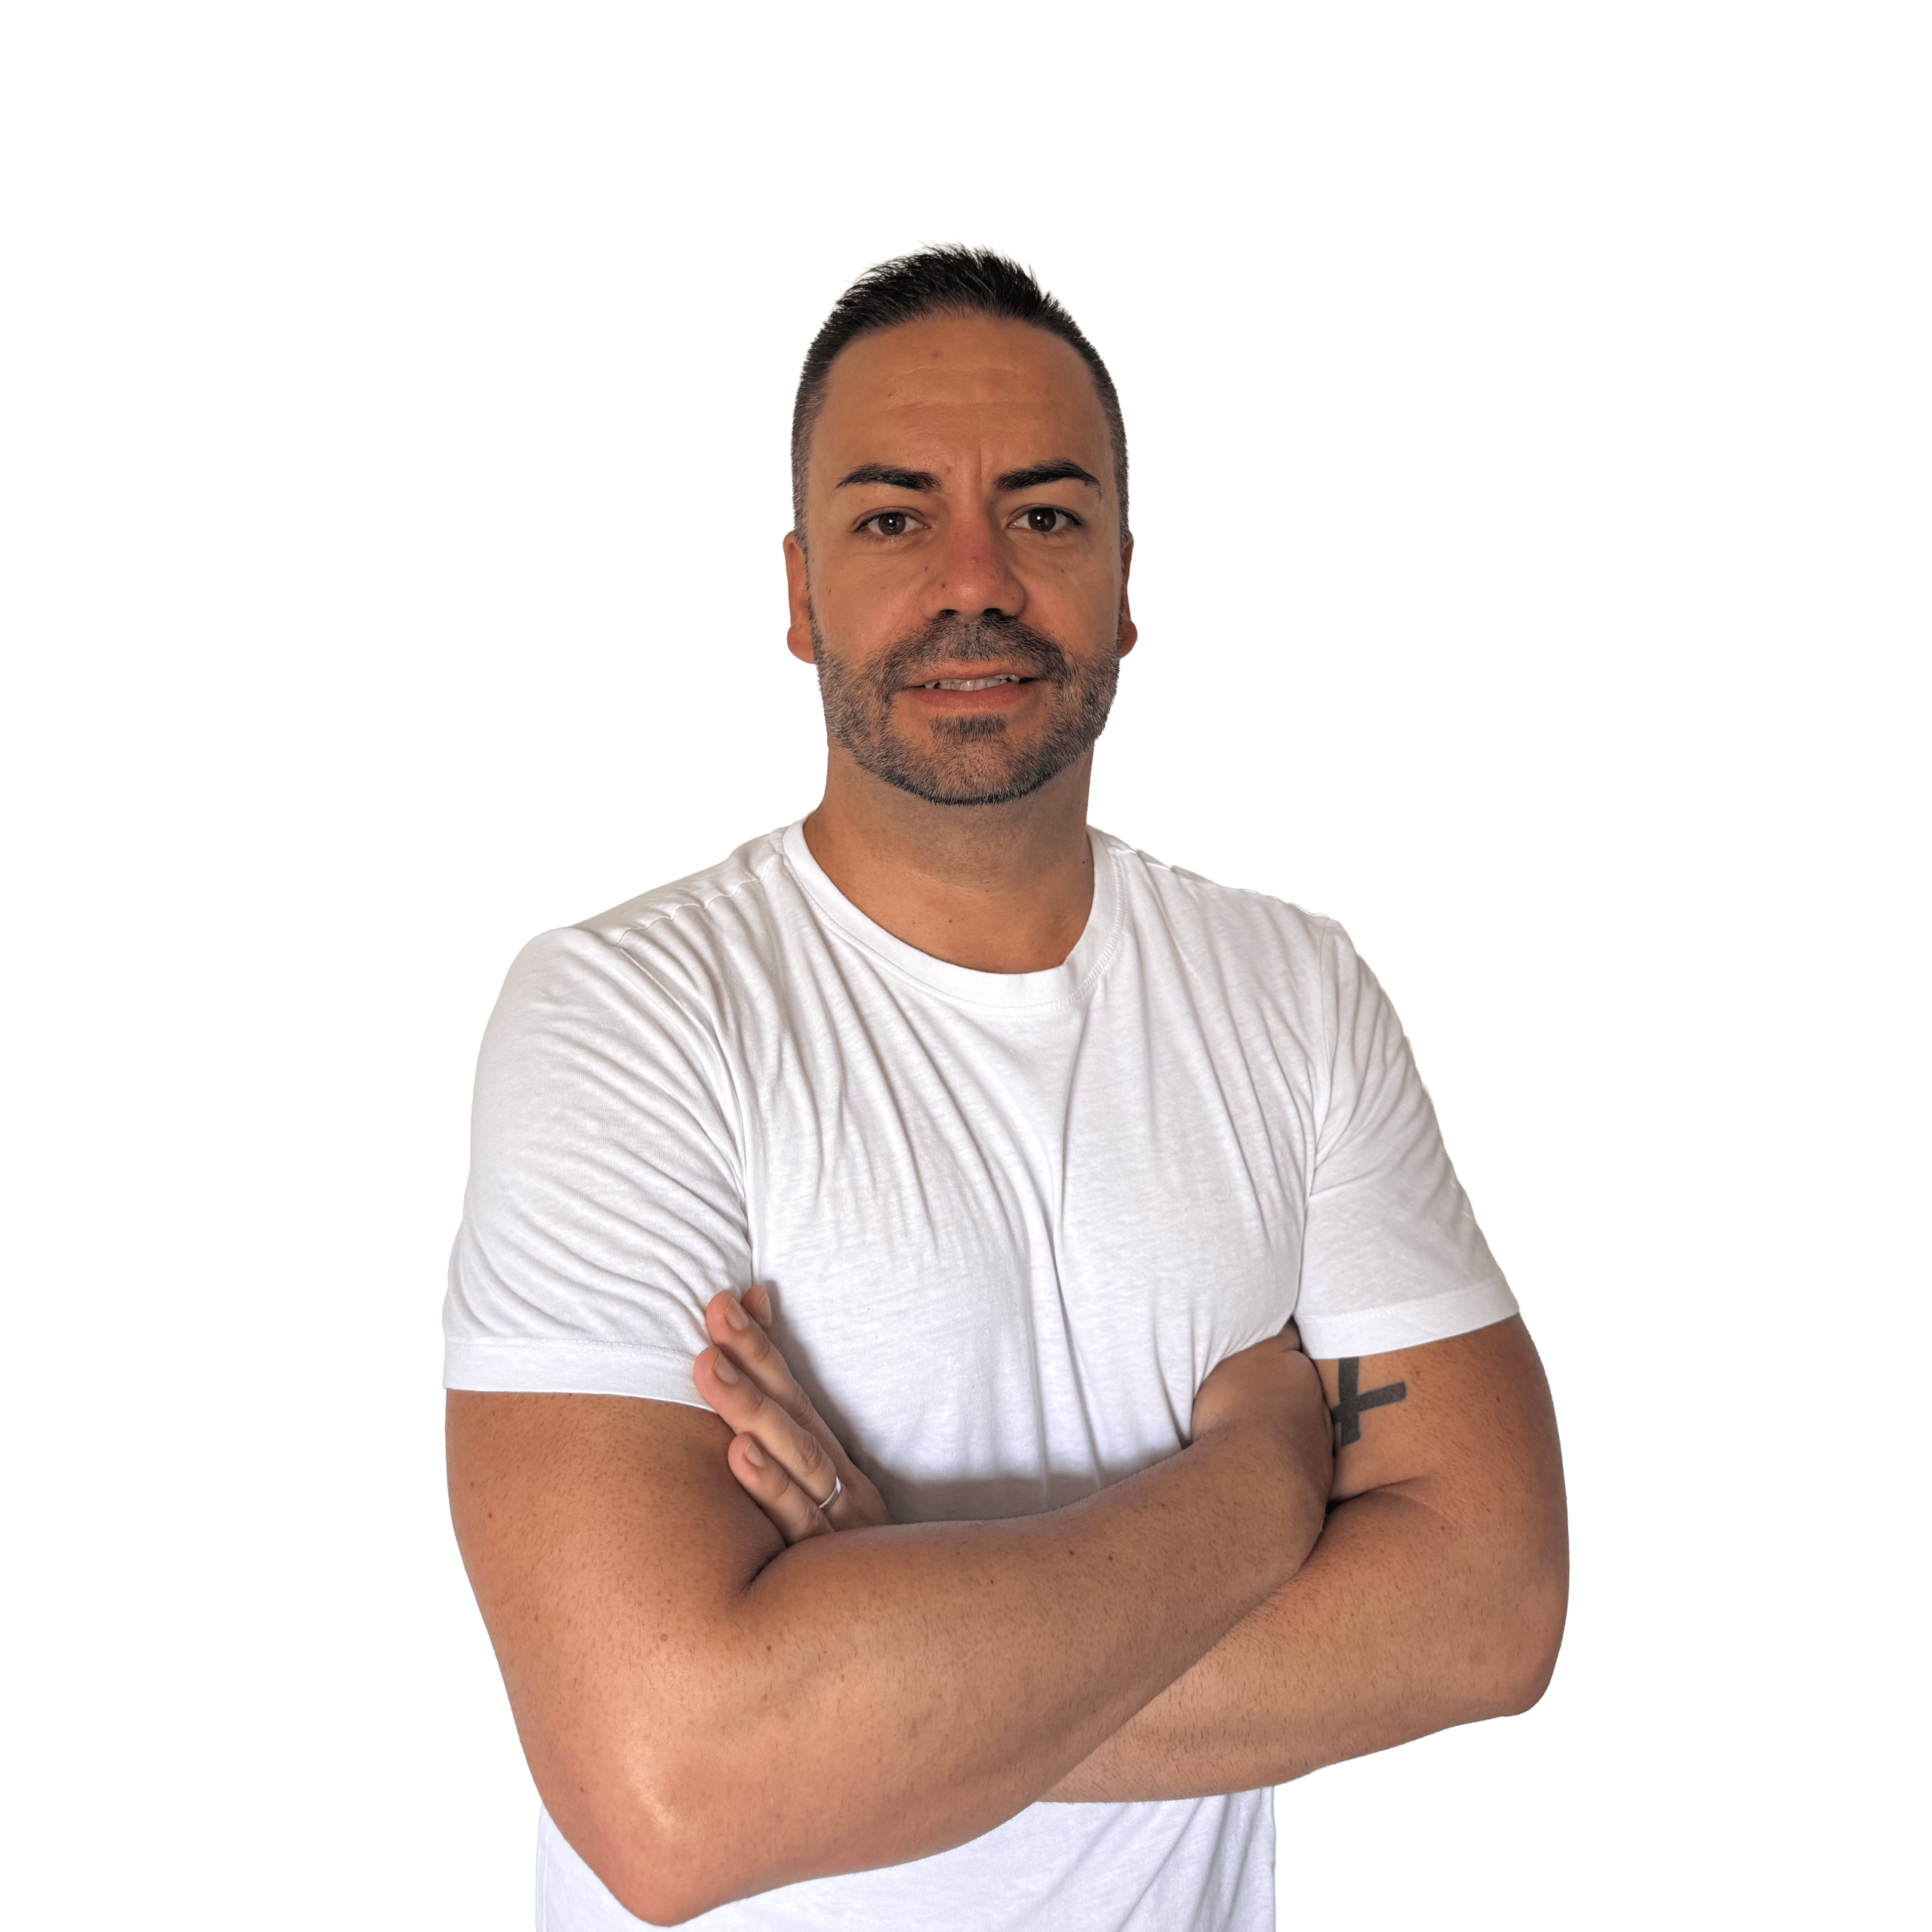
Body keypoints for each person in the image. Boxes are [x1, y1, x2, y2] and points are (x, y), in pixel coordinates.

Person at [443, 238, 1569, 1930]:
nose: (974, 580)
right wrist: (1253, 1491)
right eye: (893, 519)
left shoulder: (1295, 989)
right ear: (798, 593)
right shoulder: (627, 1013)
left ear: (1124, 582)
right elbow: (668, 1793)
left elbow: (1492, 1606)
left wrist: (879, 1644)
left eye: (1042, 513)